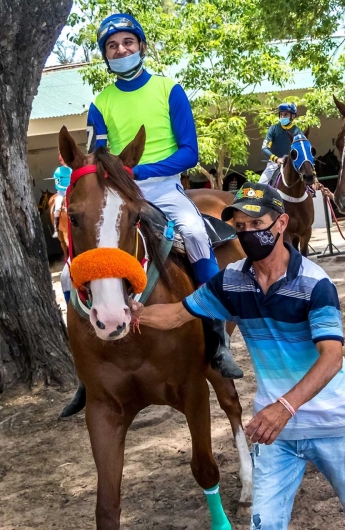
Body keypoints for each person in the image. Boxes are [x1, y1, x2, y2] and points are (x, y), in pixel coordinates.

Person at [130, 182, 345, 530]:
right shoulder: (231, 281)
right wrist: (130, 314)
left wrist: (285, 407)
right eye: (240, 227)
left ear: (281, 224)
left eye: (257, 223)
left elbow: (331, 358)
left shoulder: (315, 283)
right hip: (274, 434)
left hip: (332, 423)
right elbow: (175, 315)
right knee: (263, 524)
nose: (248, 233)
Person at [85, 13, 241, 378]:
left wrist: (140, 170)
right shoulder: (100, 103)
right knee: (73, 270)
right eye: (112, 46)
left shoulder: (169, 89)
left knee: (196, 234)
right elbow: (97, 156)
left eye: (127, 42)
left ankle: (218, 338)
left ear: (140, 46)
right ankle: (87, 357)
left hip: (164, 187)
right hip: (120, 192)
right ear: (106, 56)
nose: (121, 49)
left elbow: (190, 152)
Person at [259, 103, 303, 185]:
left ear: (293, 116)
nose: (282, 117)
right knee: (260, 185)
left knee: (310, 186)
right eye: (281, 114)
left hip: (293, 164)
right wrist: (277, 159)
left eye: (285, 114)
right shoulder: (273, 129)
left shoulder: (297, 132)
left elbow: (304, 152)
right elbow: (264, 149)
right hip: (274, 164)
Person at [52, 155, 72, 238]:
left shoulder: (71, 170)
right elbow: (57, 185)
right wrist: (67, 188)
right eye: (61, 160)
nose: (62, 161)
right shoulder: (58, 171)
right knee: (57, 208)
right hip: (62, 193)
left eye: (63, 160)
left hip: (72, 191)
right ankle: (56, 229)